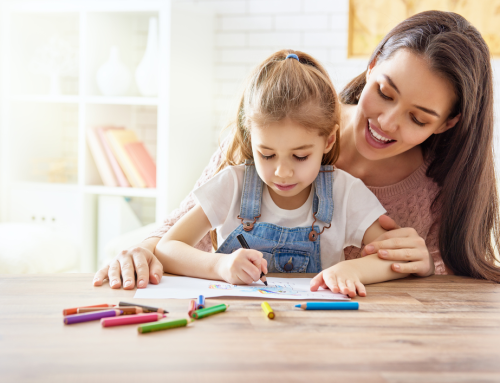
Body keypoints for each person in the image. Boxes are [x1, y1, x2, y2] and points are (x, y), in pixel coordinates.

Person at [93, 10, 500, 291]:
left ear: (448, 123)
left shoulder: (434, 187)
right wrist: (145, 251)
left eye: (418, 118)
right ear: (373, 64)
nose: (388, 122)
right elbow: (178, 234)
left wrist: (425, 266)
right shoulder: (278, 122)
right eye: (385, 92)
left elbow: (447, 281)